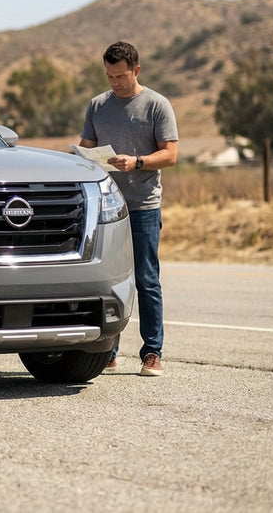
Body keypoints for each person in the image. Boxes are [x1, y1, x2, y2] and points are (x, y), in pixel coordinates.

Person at [79, 41, 179, 377]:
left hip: (143, 207)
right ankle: (108, 352)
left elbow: (170, 154)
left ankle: (152, 352)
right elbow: (86, 150)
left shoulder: (156, 105)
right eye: (109, 76)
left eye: (120, 76)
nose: (114, 82)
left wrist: (137, 162)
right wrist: (82, 158)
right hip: (106, 210)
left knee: (146, 280)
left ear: (136, 70)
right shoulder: (97, 106)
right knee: (108, 281)